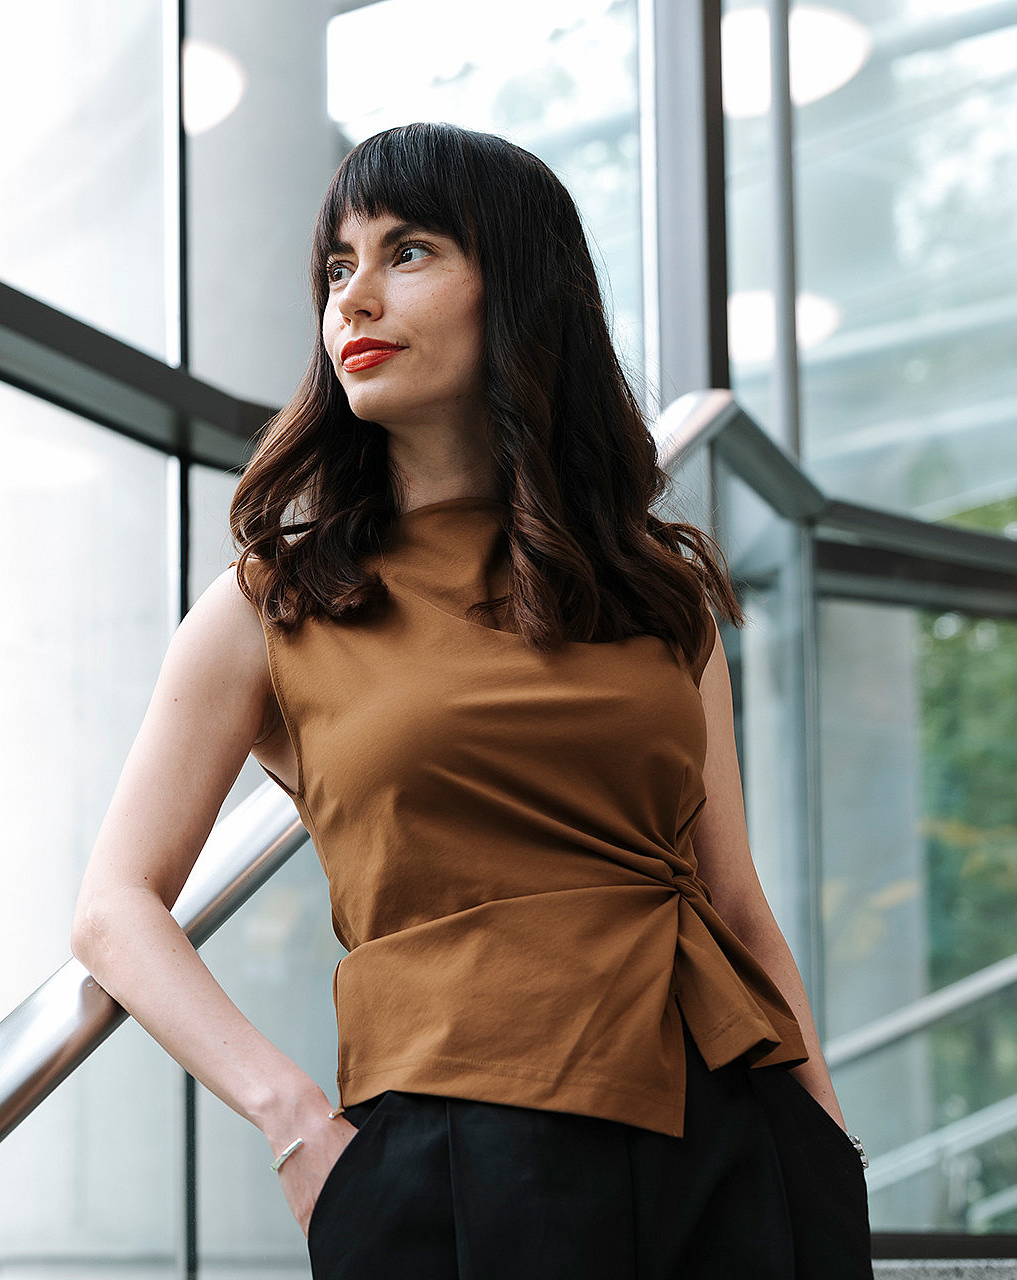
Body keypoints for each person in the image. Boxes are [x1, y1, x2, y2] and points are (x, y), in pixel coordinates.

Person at [68, 121, 872, 1279]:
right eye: (337, 266)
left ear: (520, 291)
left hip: (730, 1129)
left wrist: (827, 1142)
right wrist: (291, 1117)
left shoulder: (652, 587)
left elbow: (734, 901)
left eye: (409, 252)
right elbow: (112, 905)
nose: (356, 297)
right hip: (451, 1150)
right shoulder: (274, 602)